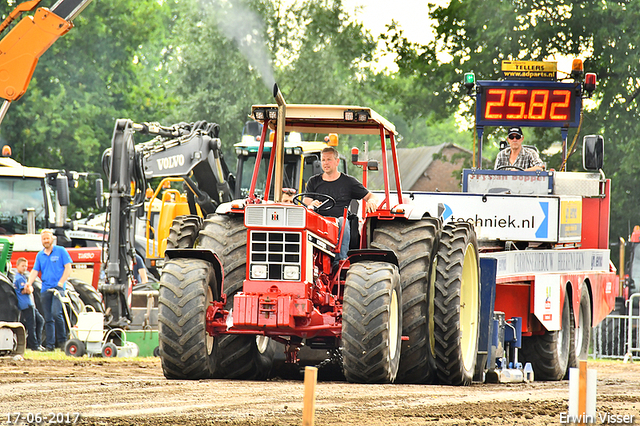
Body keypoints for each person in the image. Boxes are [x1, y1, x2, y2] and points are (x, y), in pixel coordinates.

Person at [303, 146, 378, 263]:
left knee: (344, 222)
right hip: (318, 221)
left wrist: (371, 201)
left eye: (329, 160)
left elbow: (370, 196)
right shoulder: (314, 181)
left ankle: (340, 262)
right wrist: (312, 203)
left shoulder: (348, 182)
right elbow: (306, 201)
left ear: (337, 161)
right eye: (323, 160)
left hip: (338, 222)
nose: (325, 163)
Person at [26, 229, 72, 351]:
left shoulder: (60, 251)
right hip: (46, 289)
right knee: (48, 318)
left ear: (52, 239)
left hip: (58, 289)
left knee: (57, 314)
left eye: (48, 238)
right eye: (44, 239)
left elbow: (68, 268)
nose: (46, 241)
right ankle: (50, 345)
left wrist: (61, 282)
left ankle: (62, 342)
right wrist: (29, 284)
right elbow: (35, 271)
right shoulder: (40, 255)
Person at [13, 257, 45, 351]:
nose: (25, 268)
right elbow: (26, 290)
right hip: (26, 305)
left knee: (40, 321)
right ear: (17, 266)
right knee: (32, 325)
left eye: (26, 266)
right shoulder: (19, 278)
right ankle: (34, 346)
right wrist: (30, 288)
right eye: (22, 266)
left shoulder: (23, 277)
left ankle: (38, 343)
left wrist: (30, 288)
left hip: (30, 304)